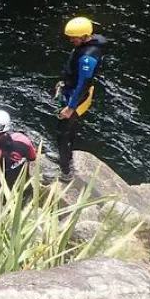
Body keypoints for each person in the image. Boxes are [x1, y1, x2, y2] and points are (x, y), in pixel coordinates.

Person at [55, 17, 107, 182]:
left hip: (77, 98)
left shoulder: (87, 58)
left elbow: (82, 84)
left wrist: (70, 107)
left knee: (62, 133)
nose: (71, 40)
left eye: (74, 38)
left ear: (85, 36)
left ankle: (65, 172)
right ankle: (67, 158)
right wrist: (63, 83)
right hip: (73, 92)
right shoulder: (89, 44)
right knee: (70, 129)